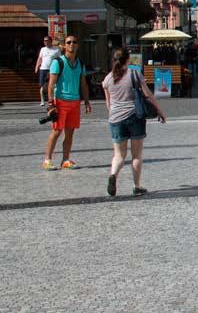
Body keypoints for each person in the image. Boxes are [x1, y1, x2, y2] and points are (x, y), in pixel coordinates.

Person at [102, 47, 167, 196]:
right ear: (128, 60)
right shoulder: (134, 74)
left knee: (118, 155)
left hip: (116, 119)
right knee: (136, 155)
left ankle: (113, 175)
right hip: (135, 117)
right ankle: (136, 186)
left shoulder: (107, 79)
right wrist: (160, 111)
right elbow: (148, 95)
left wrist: (116, 114)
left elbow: (108, 104)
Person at [42, 35, 92, 170]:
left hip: (75, 102)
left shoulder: (80, 64)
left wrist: (86, 101)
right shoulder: (58, 62)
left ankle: (65, 160)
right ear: (64, 46)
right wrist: (51, 104)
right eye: (69, 42)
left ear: (77, 45)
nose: (72, 44)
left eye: (74, 42)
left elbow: (83, 84)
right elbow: (51, 85)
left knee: (70, 132)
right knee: (57, 131)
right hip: (60, 101)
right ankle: (47, 159)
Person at [34, 35, 60, 107]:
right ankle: (42, 101)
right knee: (42, 86)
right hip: (43, 69)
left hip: (53, 69)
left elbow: (60, 60)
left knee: (54, 85)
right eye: (44, 41)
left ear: (50, 41)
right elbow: (40, 58)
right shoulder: (42, 49)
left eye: (46, 40)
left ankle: (54, 99)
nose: (45, 42)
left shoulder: (56, 49)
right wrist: (37, 66)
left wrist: (61, 68)